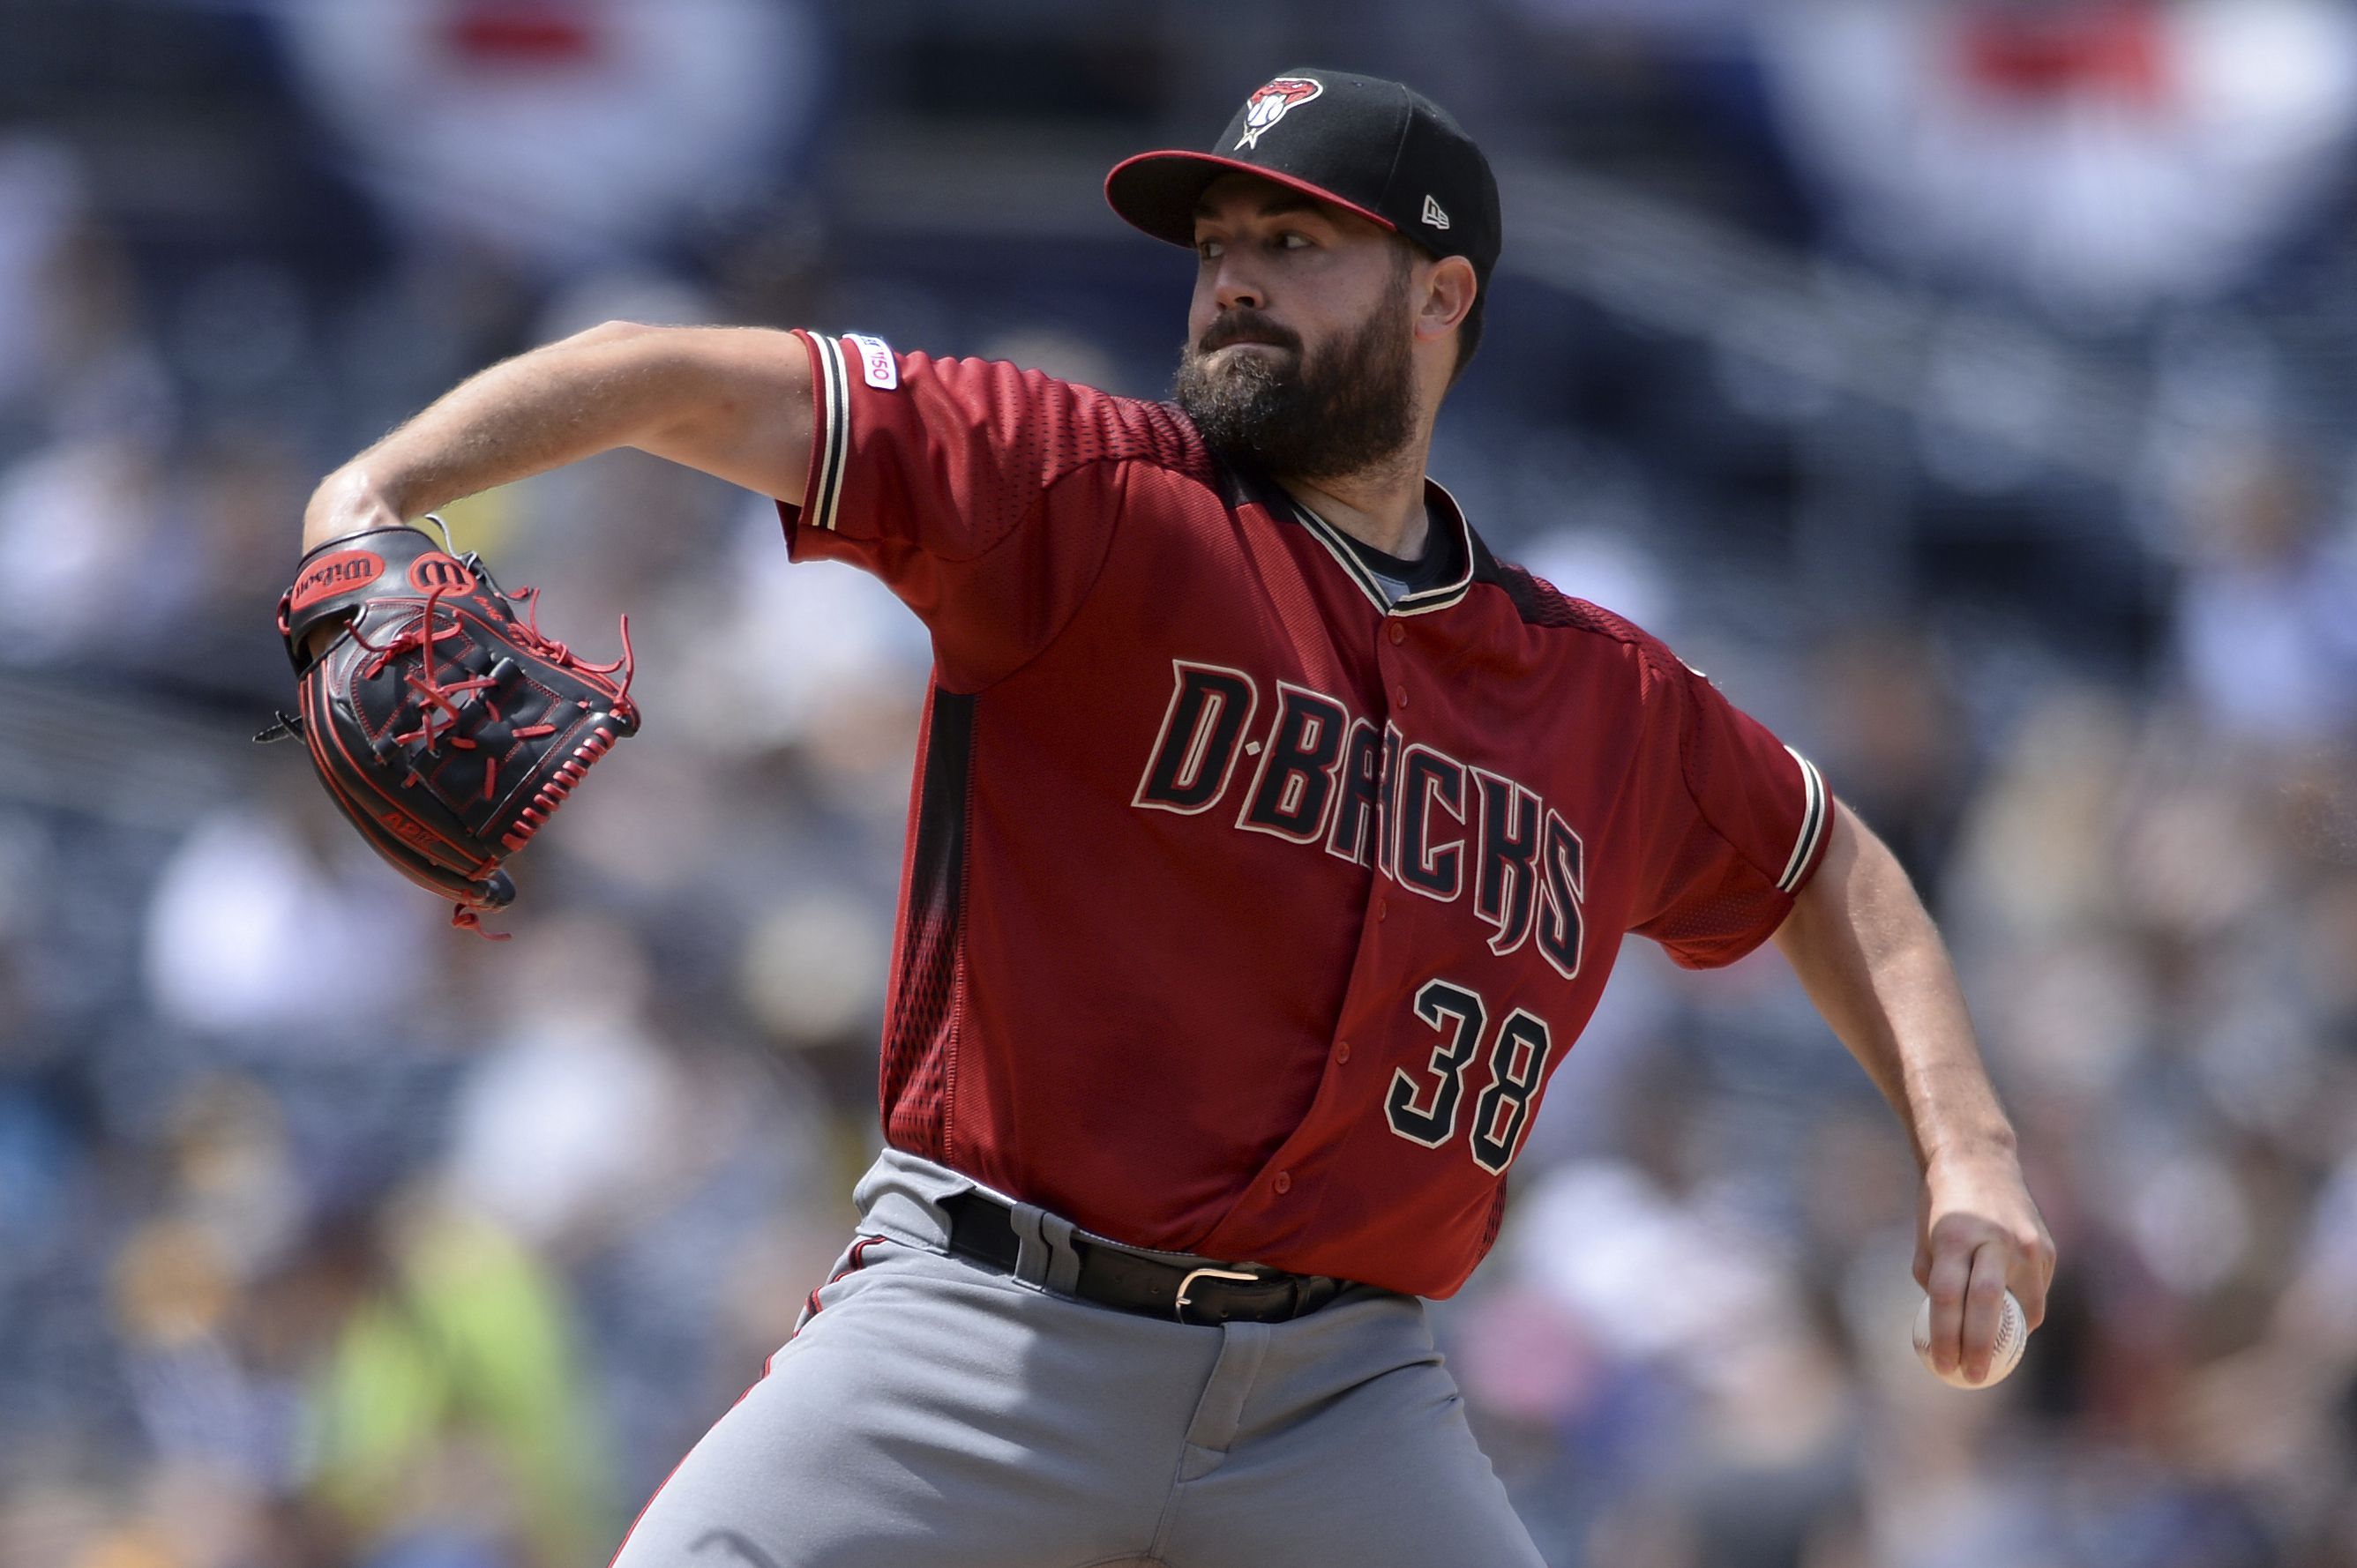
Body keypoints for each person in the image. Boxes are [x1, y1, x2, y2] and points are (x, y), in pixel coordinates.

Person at [297, 68, 2054, 1568]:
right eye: (1219, 246)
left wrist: (1965, 1148)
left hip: (1344, 1397)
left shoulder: (1600, 697)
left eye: (1295, 245)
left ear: (1442, 297)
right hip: (985, 1324)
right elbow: (661, 369)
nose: (1233, 281)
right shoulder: (1079, 497)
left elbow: (1828, 858)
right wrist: (372, 491)